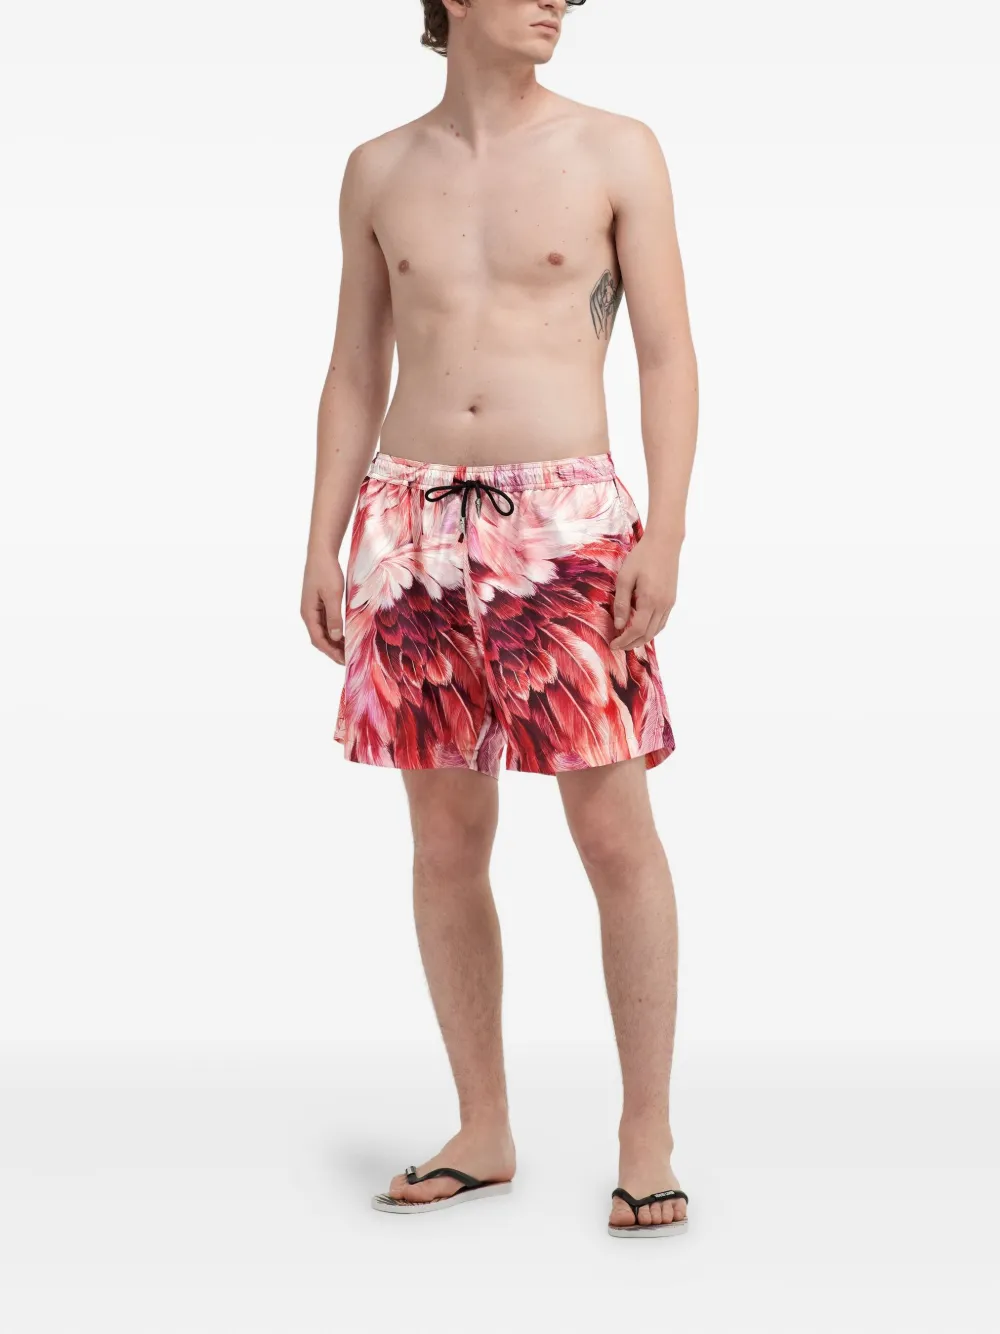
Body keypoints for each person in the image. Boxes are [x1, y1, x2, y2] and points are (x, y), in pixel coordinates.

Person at [301, 0, 698, 1239]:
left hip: (565, 524)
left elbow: (667, 355)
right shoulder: (378, 169)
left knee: (613, 830)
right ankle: (483, 1124)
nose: (557, 2)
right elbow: (354, 365)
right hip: (408, 523)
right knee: (443, 837)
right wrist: (320, 537)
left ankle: (645, 1134)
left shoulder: (615, 149)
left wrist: (667, 531)